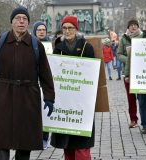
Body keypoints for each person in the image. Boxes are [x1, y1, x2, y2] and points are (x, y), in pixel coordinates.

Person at [0, 6, 55, 159]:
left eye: (24, 19)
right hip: (4, 95)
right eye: (18, 18)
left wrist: (49, 97)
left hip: (28, 96)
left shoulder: (36, 45)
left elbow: (46, 75)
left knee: (25, 142)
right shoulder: (0, 42)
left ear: (28, 23)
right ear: (12, 22)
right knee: (2, 141)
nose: (21, 22)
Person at [51, 15, 95, 160]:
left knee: (82, 147)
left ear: (77, 29)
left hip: (82, 103)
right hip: (65, 104)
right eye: (64, 28)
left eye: (71, 28)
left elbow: (92, 74)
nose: (67, 31)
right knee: (67, 146)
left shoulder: (87, 47)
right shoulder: (58, 48)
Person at [117, 18, 143, 128]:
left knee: (142, 96)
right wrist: (129, 59)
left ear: (138, 26)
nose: (133, 26)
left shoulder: (143, 36)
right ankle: (133, 119)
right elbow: (119, 54)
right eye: (131, 25)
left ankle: (145, 118)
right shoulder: (124, 38)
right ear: (128, 27)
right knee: (130, 97)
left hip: (141, 71)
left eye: (135, 25)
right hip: (127, 72)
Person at [32, 21, 51, 150]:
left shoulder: (51, 44)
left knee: (46, 112)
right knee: (33, 112)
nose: (41, 32)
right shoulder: (30, 44)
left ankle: (44, 139)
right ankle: (33, 138)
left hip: (46, 82)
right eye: (39, 30)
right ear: (35, 32)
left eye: (43, 29)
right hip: (33, 82)